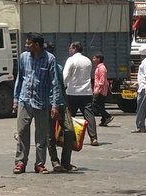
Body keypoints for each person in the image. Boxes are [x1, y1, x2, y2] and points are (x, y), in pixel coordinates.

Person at [11, 33, 60, 174]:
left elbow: (55, 83)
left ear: (36, 45)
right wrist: (15, 99)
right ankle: (20, 162)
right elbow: (20, 79)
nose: (26, 45)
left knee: (41, 135)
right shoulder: (23, 57)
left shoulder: (50, 59)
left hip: (42, 102)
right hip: (24, 101)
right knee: (22, 132)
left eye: (28, 43)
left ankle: (39, 164)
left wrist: (55, 105)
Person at [64, 41, 97, 146]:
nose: (69, 50)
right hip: (86, 92)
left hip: (72, 92)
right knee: (89, 115)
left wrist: (63, 87)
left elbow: (65, 76)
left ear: (74, 48)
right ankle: (93, 138)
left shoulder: (71, 60)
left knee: (69, 117)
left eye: (70, 48)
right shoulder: (87, 61)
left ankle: (68, 138)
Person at [88, 53, 113, 127]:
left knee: (94, 104)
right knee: (101, 105)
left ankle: (107, 116)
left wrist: (98, 90)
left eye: (94, 58)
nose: (93, 60)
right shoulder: (99, 67)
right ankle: (104, 120)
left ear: (98, 59)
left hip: (100, 90)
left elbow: (102, 80)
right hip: (100, 89)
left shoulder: (101, 68)